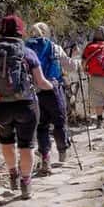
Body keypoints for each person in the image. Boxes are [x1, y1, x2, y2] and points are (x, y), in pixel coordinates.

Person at [0, 15, 54, 200]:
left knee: (7, 142)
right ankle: (26, 183)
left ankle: (13, 174)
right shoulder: (27, 53)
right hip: (26, 105)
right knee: (27, 145)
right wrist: (53, 86)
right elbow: (40, 82)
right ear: (21, 31)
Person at [25, 22, 69, 175]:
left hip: (34, 91)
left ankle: (46, 159)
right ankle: (62, 151)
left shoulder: (25, 49)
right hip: (52, 88)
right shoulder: (54, 47)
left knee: (41, 126)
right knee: (59, 122)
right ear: (46, 32)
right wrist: (77, 65)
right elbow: (69, 65)